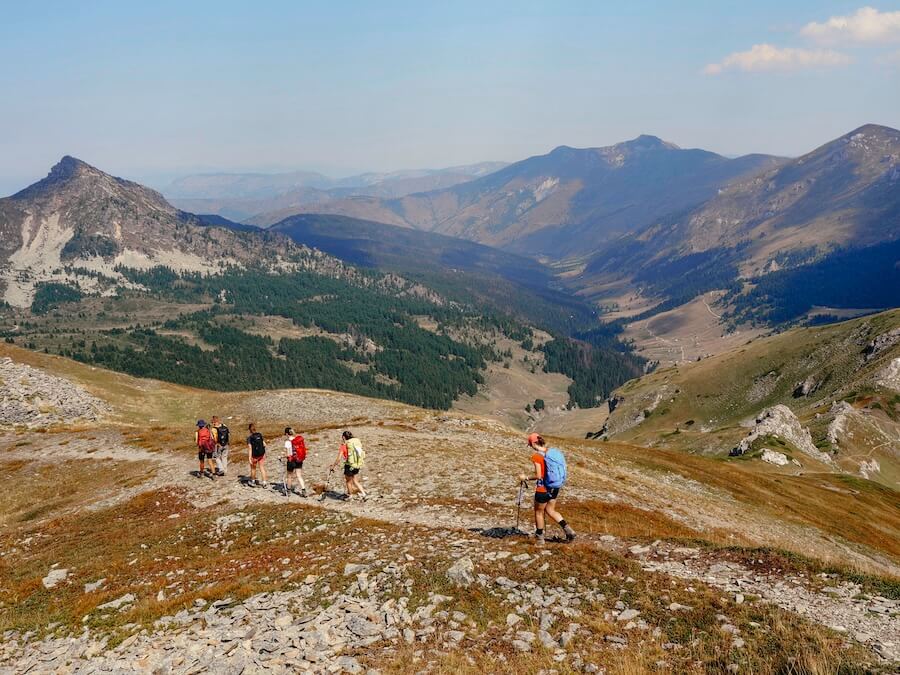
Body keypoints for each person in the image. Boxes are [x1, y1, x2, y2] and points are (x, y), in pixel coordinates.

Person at [519, 433, 575, 546]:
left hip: (542, 489)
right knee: (550, 510)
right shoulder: (551, 452)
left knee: (538, 512)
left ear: (533, 444)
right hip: (554, 487)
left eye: (530, 445)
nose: (531, 447)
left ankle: (540, 539)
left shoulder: (537, 457)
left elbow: (539, 476)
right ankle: (569, 531)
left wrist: (526, 478)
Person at [331, 430, 367, 501]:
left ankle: (350, 496)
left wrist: (333, 466)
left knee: (348, 481)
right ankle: (364, 494)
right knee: (355, 480)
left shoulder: (344, 446)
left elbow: (338, 459)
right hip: (356, 464)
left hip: (349, 465)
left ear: (343, 437)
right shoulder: (354, 444)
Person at [283, 427, 308, 497]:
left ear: (287, 434)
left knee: (289, 476)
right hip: (299, 459)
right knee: (299, 475)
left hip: (291, 460)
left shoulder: (288, 442)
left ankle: (288, 491)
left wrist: (282, 456)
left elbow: (289, 454)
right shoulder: (297, 440)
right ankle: (303, 490)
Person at [247, 423, 268, 487]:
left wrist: (249, 458)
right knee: (262, 467)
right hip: (261, 454)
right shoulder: (259, 435)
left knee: (253, 468)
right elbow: (264, 444)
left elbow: (250, 448)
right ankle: (264, 482)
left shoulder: (249, 438)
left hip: (254, 456)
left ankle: (253, 481)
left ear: (249, 430)